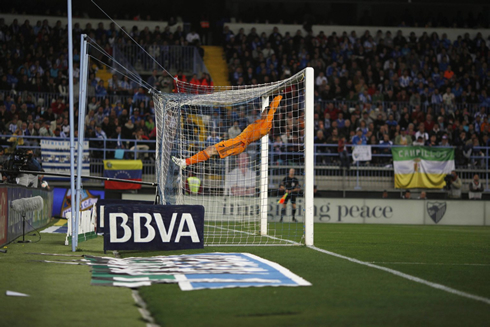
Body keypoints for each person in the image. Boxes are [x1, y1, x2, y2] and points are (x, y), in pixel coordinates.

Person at [172, 95, 282, 169]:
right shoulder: (261, 122)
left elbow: (272, 110)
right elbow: (269, 110)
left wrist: (278, 96)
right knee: (210, 150)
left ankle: (185, 163)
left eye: (264, 112)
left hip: (239, 143)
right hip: (237, 142)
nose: (261, 113)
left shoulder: (266, 124)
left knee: (211, 150)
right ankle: (186, 162)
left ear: (268, 114)